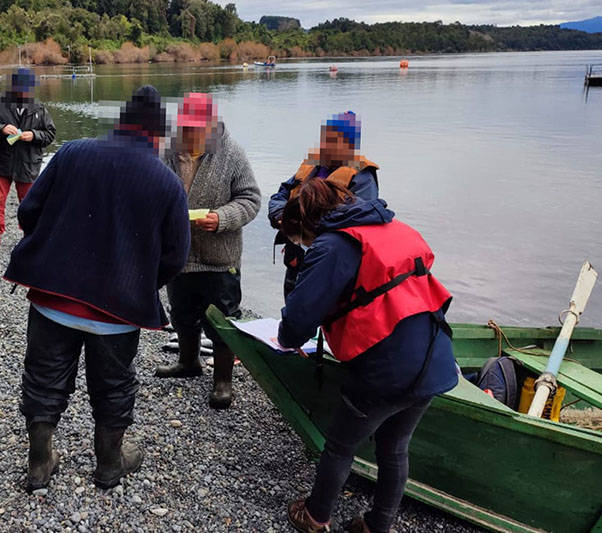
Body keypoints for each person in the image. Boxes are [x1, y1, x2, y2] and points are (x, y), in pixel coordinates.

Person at [4, 86, 190, 492]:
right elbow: (176, 257)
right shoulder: (167, 182)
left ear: (120, 123)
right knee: (114, 386)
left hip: (53, 299)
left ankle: (39, 463)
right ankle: (109, 464)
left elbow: (28, 211)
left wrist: (52, 252)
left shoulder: (73, 153)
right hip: (119, 313)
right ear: (158, 136)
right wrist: (138, 282)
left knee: (44, 378)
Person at [276, 179, 458, 533]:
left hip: (387, 370)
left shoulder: (332, 245)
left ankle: (315, 517)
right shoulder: (392, 227)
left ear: (308, 222)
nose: (303, 244)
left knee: (340, 445)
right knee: (394, 446)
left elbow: (297, 321)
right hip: (434, 357)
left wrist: (286, 337)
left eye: (299, 236)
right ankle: (377, 525)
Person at [155, 93, 261, 410]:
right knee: (182, 314)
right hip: (180, 254)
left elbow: (251, 199)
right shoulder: (167, 151)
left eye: (197, 128)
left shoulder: (232, 154)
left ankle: (223, 381)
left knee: (223, 321)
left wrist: (221, 219)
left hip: (220, 258)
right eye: (186, 127)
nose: (190, 134)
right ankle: (189, 363)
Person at [268, 111, 378, 296]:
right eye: (324, 139)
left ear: (351, 145)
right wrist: (281, 216)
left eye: (334, 141)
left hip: (329, 259)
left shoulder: (362, 176)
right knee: (294, 304)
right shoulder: (311, 165)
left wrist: (306, 222)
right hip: (297, 254)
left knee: (323, 309)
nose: (325, 146)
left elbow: (359, 218)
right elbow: (280, 196)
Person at [0, 68, 56, 258]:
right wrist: (1, 129)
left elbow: (50, 134)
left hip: (28, 164)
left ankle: (31, 239)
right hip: (0, 163)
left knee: (29, 205)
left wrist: (35, 135)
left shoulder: (39, 108)